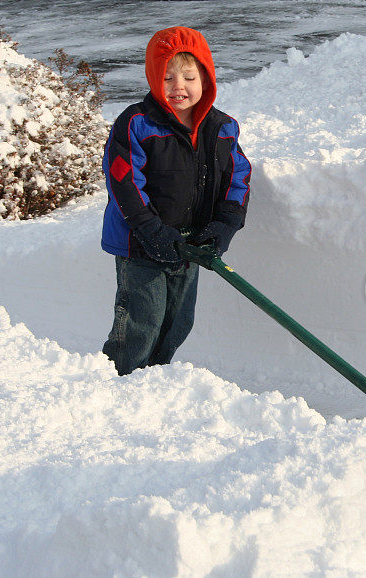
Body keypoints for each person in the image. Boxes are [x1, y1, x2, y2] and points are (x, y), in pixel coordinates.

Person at [100, 26, 252, 376]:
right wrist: (151, 229)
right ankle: (118, 382)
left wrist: (225, 224)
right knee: (142, 320)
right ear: (154, 79)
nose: (178, 86)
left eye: (189, 76)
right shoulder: (136, 123)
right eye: (167, 77)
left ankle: (153, 379)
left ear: (206, 79)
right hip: (140, 243)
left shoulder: (222, 128)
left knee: (178, 321)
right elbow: (124, 182)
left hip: (190, 243)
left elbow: (238, 177)